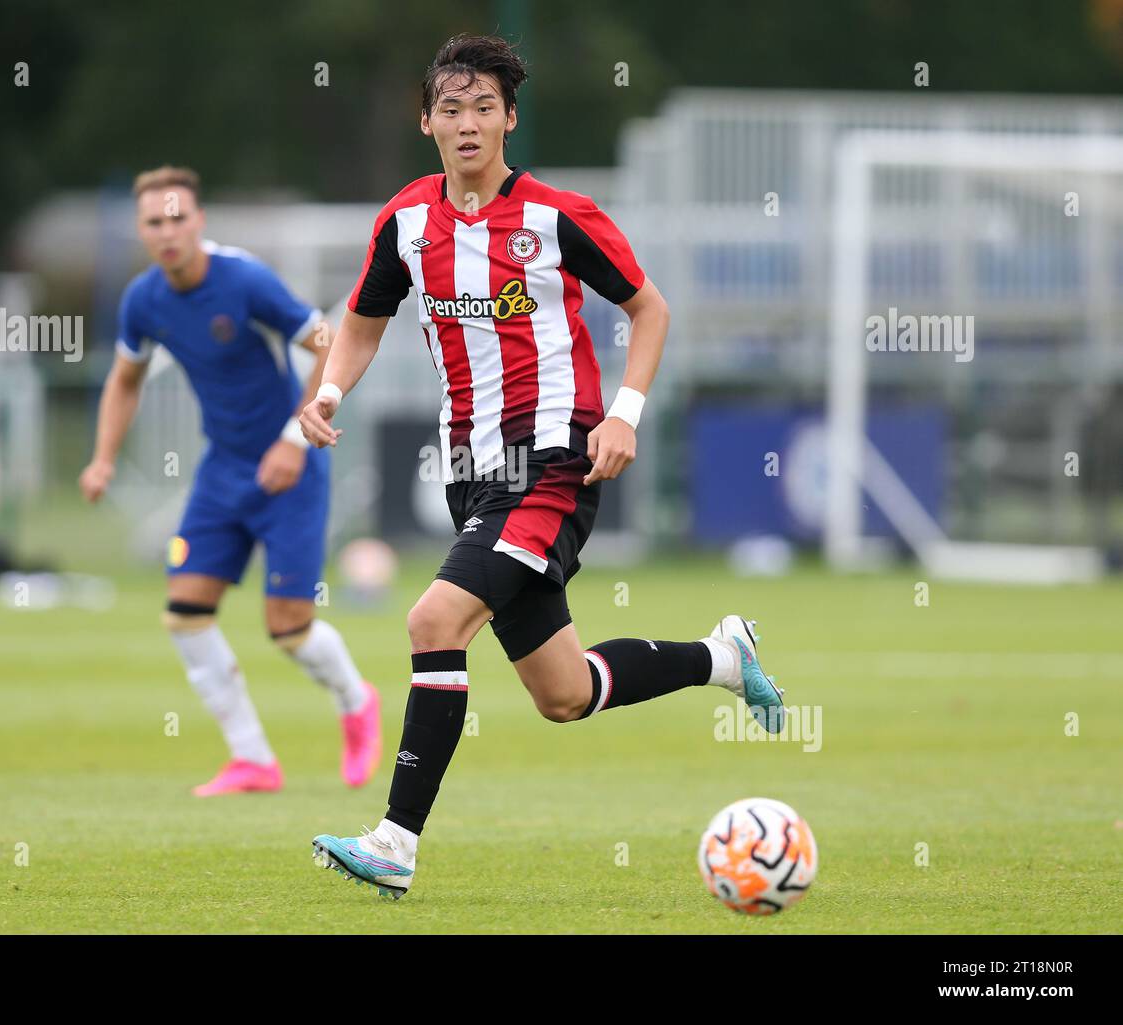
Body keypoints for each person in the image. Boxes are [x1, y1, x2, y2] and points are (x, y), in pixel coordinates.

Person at [301, 36, 785, 898]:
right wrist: (330, 392)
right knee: (563, 693)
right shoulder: (407, 220)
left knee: (432, 621)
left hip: (552, 462)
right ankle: (721, 655)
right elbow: (365, 319)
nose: (468, 123)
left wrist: (626, 415)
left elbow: (649, 307)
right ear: (426, 122)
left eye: (485, 106)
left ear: (509, 119)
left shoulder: (555, 216)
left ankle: (395, 843)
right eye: (451, 108)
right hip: (470, 473)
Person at [80, 166, 381, 796]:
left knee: (289, 629)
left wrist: (295, 439)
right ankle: (253, 760)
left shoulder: (243, 279)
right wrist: (104, 457)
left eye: (177, 219)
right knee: (185, 612)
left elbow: (326, 341)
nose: (167, 232)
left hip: (291, 465)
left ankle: (356, 702)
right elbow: (126, 378)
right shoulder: (144, 300)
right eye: (154, 223)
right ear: (142, 230)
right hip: (223, 470)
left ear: (200, 221)